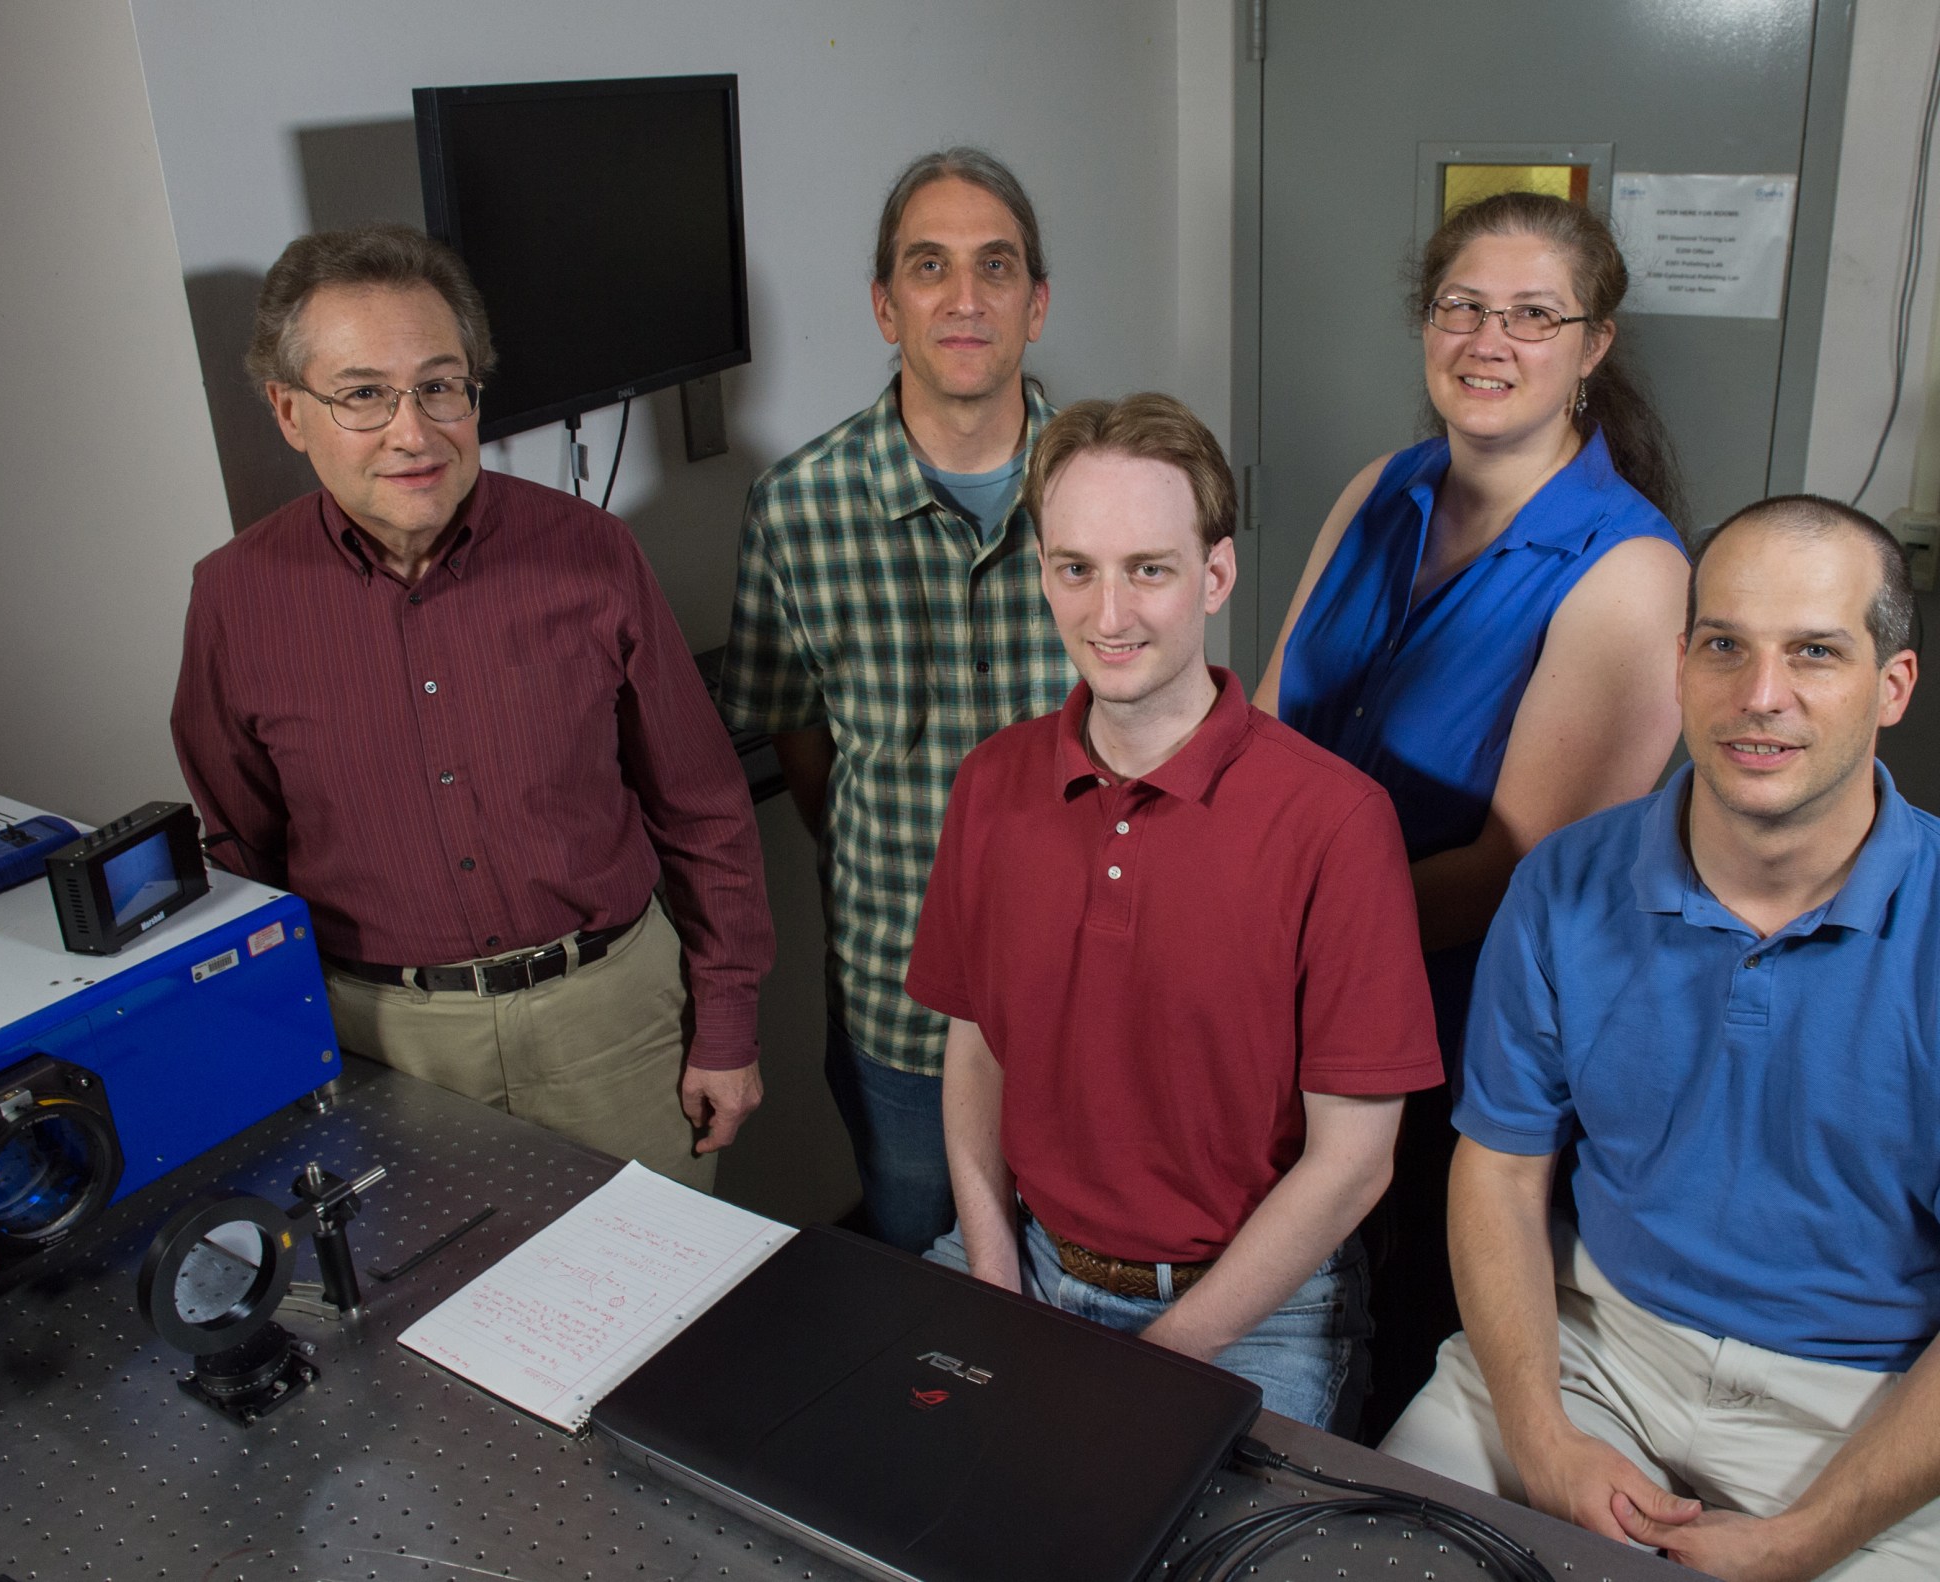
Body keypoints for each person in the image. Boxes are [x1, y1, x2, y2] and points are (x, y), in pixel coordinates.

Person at [1382, 497, 1940, 1580]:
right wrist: (1541, 1441)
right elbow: (1496, 1175)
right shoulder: (1560, 885)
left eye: (1813, 652)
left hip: (1862, 1408)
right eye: (1724, 644)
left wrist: (1800, 1539)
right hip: (1594, 1348)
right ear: (1679, 664)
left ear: (1891, 686)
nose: (1759, 695)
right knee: (1352, 1560)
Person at [172, 223, 774, 1190]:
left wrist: (730, 1022)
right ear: (290, 412)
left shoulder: (591, 554)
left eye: (440, 386)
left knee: (665, 1318)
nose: (413, 432)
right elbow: (243, 851)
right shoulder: (236, 602)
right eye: (363, 394)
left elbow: (703, 804)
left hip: (614, 1029)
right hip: (388, 1049)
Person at [905, 393, 1443, 1431]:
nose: (1107, 616)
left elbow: (1354, 1160)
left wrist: (1160, 1360)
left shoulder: (1333, 822)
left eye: (1147, 569)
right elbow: (974, 1046)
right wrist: (987, 1265)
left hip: (1250, 1309)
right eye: (1075, 569)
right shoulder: (990, 785)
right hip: (1025, 1256)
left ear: (1215, 575)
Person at [1252, 191, 1690, 1434]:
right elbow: (1271, 731)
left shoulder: (1628, 571)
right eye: (1460, 307)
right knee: (1282, 1313)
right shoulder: (1377, 490)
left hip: (1450, 1044)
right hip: (1293, 994)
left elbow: (1508, 869)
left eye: (1531, 315)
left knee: (1390, 1360)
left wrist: (1272, 930)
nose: (1486, 341)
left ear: (1591, 346)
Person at [720, 148, 1073, 1251]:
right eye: (929, 266)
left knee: (1104, 1277)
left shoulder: (1107, 487)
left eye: (995, 266)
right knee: (929, 1277)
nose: (963, 298)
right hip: (900, 997)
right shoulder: (796, 509)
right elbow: (801, 742)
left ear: (1036, 304)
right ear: (884, 305)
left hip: (1099, 984)